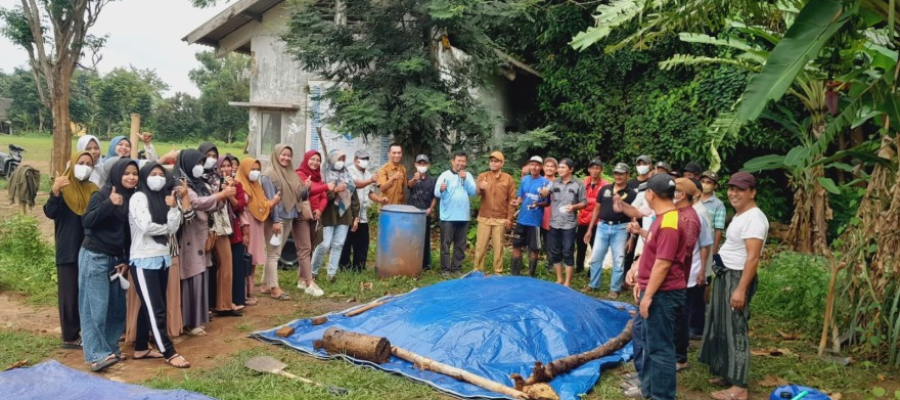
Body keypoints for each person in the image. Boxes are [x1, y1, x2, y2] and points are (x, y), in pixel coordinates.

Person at [699, 172, 768, 400]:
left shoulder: (755, 219)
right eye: (731, 188)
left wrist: (740, 289)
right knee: (722, 326)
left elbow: (753, 258)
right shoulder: (740, 214)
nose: (733, 193)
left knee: (736, 330)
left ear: (752, 192)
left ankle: (739, 387)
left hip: (738, 278)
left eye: (740, 189)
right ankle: (726, 373)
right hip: (725, 275)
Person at [623, 173, 688, 400]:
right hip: (655, 290)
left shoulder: (670, 222)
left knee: (660, 349)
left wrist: (649, 294)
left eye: (646, 192)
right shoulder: (662, 217)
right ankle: (648, 390)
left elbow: (663, 264)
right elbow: (653, 255)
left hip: (663, 294)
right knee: (650, 345)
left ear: (651, 194)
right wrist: (641, 279)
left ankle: (661, 395)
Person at [127, 162, 190, 368]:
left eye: (161, 174)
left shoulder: (166, 199)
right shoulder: (138, 197)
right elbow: (145, 226)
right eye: (153, 174)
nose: (157, 177)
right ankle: (168, 352)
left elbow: (174, 226)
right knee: (157, 309)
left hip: (162, 257)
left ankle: (142, 347)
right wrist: (166, 227)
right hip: (143, 259)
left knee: (152, 305)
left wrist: (172, 207)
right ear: (145, 177)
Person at [79, 158, 138, 372]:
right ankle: (96, 355)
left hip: (115, 259)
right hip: (95, 256)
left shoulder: (133, 198)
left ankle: (111, 348)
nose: (131, 177)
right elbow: (87, 221)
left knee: (116, 307)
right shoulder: (102, 194)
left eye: (134, 173)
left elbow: (127, 233)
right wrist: (108, 204)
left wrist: (125, 260)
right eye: (126, 173)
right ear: (116, 175)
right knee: (95, 308)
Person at [45, 151, 98, 350]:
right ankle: (69, 336)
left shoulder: (93, 189)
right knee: (69, 294)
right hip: (68, 250)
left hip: (90, 249)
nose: (85, 166)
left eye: (88, 163)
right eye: (81, 162)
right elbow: (51, 213)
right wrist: (55, 192)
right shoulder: (63, 187)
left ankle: (85, 332)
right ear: (73, 164)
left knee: (86, 292)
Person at [174, 150, 227, 336]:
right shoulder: (182, 185)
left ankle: (198, 318)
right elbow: (197, 203)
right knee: (192, 275)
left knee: (200, 274)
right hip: (189, 237)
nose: (200, 166)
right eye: (197, 162)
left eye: (202, 162)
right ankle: (190, 321)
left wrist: (222, 197)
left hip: (201, 236)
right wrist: (220, 196)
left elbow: (210, 204)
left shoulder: (199, 183)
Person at [199, 143, 240, 316]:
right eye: (208, 155)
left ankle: (224, 304)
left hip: (221, 226)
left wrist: (227, 189)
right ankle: (203, 307)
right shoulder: (197, 177)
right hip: (203, 227)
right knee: (202, 267)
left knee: (225, 262)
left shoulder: (218, 176)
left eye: (215, 156)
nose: (212, 159)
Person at [585, 163, 637, 298]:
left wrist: (632, 237)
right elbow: (597, 208)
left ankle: (615, 288)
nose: (618, 176)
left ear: (627, 175)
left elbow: (633, 216)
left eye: (621, 174)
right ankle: (593, 284)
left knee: (618, 259)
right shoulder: (605, 189)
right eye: (616, 173)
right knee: (596, 258)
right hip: (602, 227)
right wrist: (590, 229)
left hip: (620, 228)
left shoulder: (632, 194)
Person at [670, 178, 704, 373]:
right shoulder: (677, 213)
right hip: (672, 274)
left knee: (679, 318)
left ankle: (680, 358)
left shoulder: (690, 218)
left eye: (674, 190)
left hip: (679, 275)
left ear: (681, 195)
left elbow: (687, 251)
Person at [312, 150, 360, 282]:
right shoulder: (323, 175)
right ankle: (312, 272)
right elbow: (320, 196)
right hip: (328, 214)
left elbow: (354, 195)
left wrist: (356, 216)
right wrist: (335, 190)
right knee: (324, 244)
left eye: (343, 159)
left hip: (344, 214)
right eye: (339, 159)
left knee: (338, 244)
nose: (341, 162)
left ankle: (331, 274)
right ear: (332, 159)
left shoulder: (346, 174)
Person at [236, 157, 277, 305]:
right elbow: (240, 208)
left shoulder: (256, 185)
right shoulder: (239, 184)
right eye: (252, 169)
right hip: (245, 226)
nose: (255, 172)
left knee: (252, 261)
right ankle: (243, 294)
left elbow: (262, 204)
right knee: (245, 260)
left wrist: (271, 203)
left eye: (257, 169)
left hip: (257, 225)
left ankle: (249, 291)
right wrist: (272, 203)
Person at [540, 158, 586, 287]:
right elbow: (545, 194)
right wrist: (543, 193)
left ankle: (567, 282)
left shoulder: (578, 184)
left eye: (562, 167)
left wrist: (574, 207)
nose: (559, 169)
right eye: (559, 167)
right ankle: (559, 279)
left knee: (567, 252)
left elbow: (584, 203)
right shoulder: (554, 183)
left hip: (569, 224)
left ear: (571, 169)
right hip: (554, 222)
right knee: (555, 251)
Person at [434, 151, 476, 276]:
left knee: (460, 245)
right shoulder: (444, 175)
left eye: (463, 161)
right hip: (447, 216)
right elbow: (436, 193)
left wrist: (465, 179)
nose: (461, 163)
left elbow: (473, 191)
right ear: (453, 161)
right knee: (445, 244)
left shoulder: (467, 175)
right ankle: (445, 269)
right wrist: (440, 189)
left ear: (466, 163)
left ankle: (456, 268)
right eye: (458, 161)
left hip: (463, 217)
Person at [474, 151, 516, 274]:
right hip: (484, 217)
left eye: (496, 161)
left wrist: (509, 218)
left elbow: (512, 200)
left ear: (502, 163)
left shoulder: (508, 179)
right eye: (491, 161)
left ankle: (498, 272)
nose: (493, 163)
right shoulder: (483, 176)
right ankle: (477, 271)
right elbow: (477, 193)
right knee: (480, 246)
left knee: (498, 247)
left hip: (500, 218)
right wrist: (480, 188)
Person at [294, 149, 328, 295]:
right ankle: (309, 283)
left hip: (313, 216)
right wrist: (327, 186)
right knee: (305, 248)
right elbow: (311, 191)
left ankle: (302, 279)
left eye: (318, 160)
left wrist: (320, 209)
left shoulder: (318, 177)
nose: (315, 162)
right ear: (306, 159)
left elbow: (324, 197)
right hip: (301, 215)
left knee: (310, 247)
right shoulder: (300, 174)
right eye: (312, 159)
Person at [340, 149, 380, 272]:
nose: (364, 161)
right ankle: (344, 267)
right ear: (355, 160)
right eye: (362, 159)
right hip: (348, 212)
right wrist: (370, 180)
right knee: (346, 241)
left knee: (362, 242)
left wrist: (380, 200)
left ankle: (359, 267)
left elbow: (370, 192)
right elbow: (354, 184)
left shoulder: (368, 174)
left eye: (366, 159)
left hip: (362, 214)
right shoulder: (348, 170)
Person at [511, 156, 550, 276]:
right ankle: (515, 274)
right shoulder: (525, 179)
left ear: (541, 167)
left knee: (534, 249)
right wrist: (516, 202)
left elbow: (548, 202)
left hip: (535, 221)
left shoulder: (546, 182)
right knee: (516, 246)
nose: (534, 167)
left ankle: (530, 275)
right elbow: (520, 197)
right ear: (529, 166)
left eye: (537, 165)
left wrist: (539, 202)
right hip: (521, 220)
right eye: (532, 164)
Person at [220, 155, 248, 310]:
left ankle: (238, 299)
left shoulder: (237, 185)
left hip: (234, 231)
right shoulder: (213, 184)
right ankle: (223, 301)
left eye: (228, 166)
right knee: (223, 268)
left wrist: (230, 194)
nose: (226, 169)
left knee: (236, 267)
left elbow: (240, 207)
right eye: (222, 166)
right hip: (218, 233)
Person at [407, 154, 438, 270]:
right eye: (419, 163)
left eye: (424, 163)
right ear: (415, 165)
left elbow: (435, 196)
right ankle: (411, 260)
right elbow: (409, 186)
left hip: (425, 213)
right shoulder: (411, 176)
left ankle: (425, 264)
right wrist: (415, 179)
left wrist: (431, 208)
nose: (422, 166)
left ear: (428, 165)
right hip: (412, 213)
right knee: (411, 237)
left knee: (425, 238)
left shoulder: (432, 180)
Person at [576, 159, 607, 274]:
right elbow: (578, 200)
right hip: (582, 220)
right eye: (592, 168)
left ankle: (592, 270)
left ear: (601, 170)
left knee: (596, 247)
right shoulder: (582, 183)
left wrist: (586, 203)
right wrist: (593, 203)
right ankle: (579, 268)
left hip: (597, 221)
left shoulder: (605, 185)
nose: (595, 170)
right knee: (580, 245)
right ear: (588, 169)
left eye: (597, 168)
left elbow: (604, 203)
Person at [540, 157, 558, 255]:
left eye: (552, 166)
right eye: (547, 166)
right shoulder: (538, 180)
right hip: (537, 216)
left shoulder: (558, 183)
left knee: (550, 244)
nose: (549, 168)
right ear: (543, 167)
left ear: (556, 169)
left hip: (551, 217)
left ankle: (550, 266)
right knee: (534, 243)